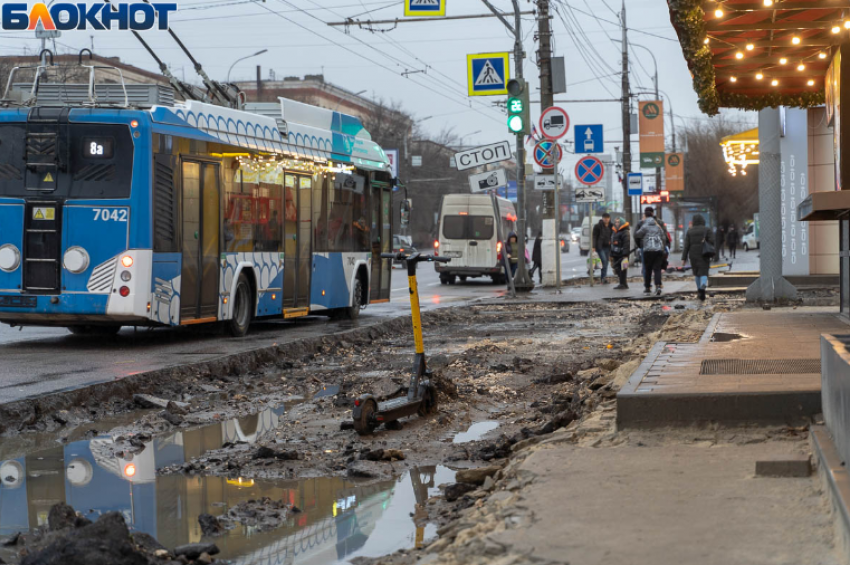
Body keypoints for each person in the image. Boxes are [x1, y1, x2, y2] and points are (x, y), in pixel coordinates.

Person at [682, 214, 714, 302]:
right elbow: (712, 241)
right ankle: (703, 285)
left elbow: (686, 246)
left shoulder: (689, 231)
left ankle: (699, 290)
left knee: (696, 273)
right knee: (703, 271)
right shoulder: (707, 230)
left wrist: (684, 258)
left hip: (693, 254)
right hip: (704, 253)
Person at [635, 207, 667, 296]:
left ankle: (647, 287)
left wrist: (640, 243)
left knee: (648, 269)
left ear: (645, 216)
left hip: (648, 250)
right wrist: (662, 247)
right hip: (658, 250)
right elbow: (664, 237)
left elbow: (637, 234)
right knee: (657, 269)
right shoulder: (658, 226)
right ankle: (658, 286)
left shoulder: (644, 226)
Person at [592, 213, 613, 284]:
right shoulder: (597, 226)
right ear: (602, 218)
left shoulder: (611, 226)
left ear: (609, 218)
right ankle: (603, 277)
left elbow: (613, 235)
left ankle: (603, 278)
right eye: (605, 218)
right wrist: (593, 246)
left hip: (608, 246)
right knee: (604, 260)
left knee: (606, 262)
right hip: (600, 247)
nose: (606, 219)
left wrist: (612, 241)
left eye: (607, 218)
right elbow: (594, 236)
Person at [611, 217, 631, 290]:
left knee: (623, 269)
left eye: (618, 222)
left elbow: (626, 243)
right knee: (617, 269)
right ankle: (623, 283)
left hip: (623, 254)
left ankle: (622, 284)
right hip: (616, 254)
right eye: (615, 222)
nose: (616, 223)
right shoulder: (614, 231)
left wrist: (625, 254)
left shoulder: (625, 232)